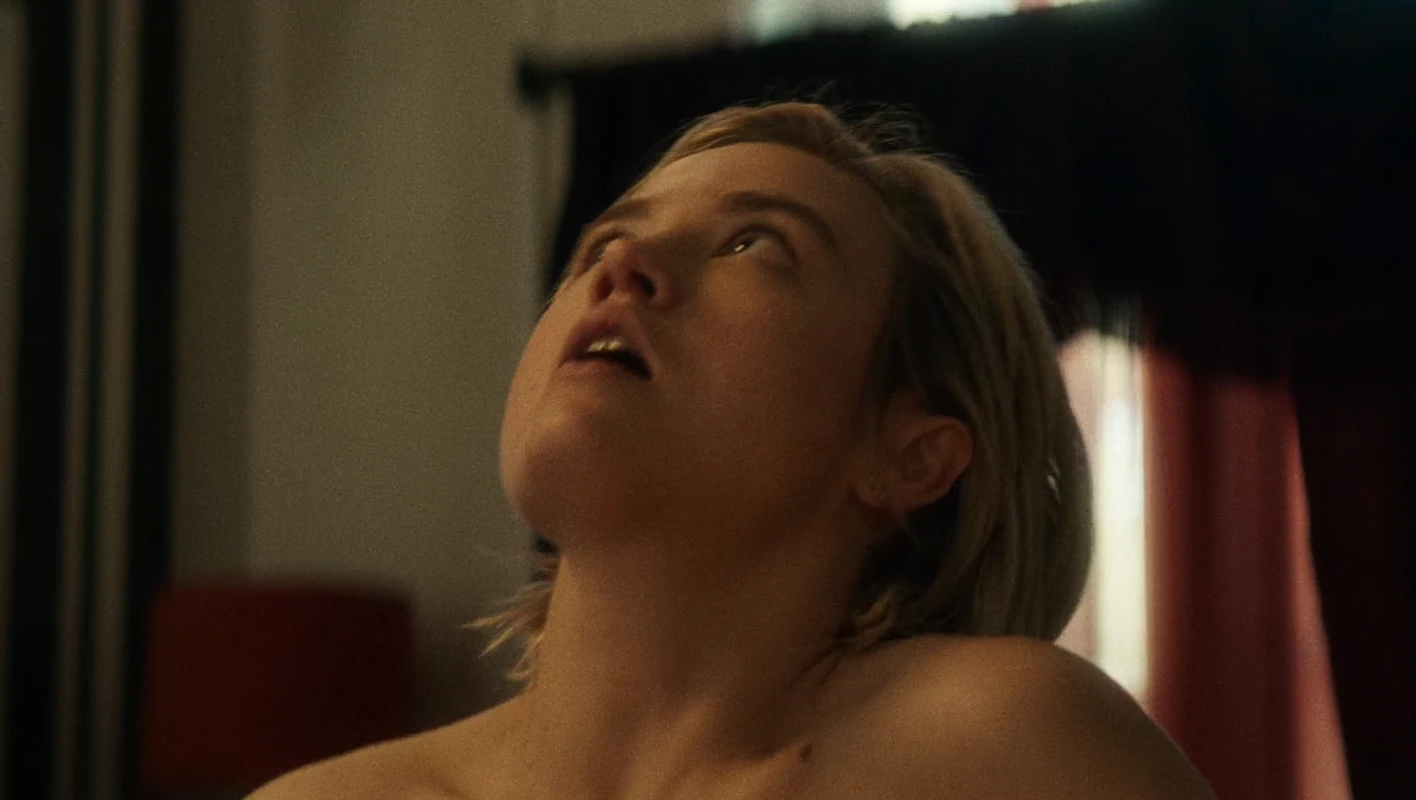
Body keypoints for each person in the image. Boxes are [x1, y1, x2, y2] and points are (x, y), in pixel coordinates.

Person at [250, 101, 1213, 799]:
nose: (623, 266)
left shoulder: (1009, 751)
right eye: (600, 243)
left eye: (754, 245)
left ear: (910, 457)